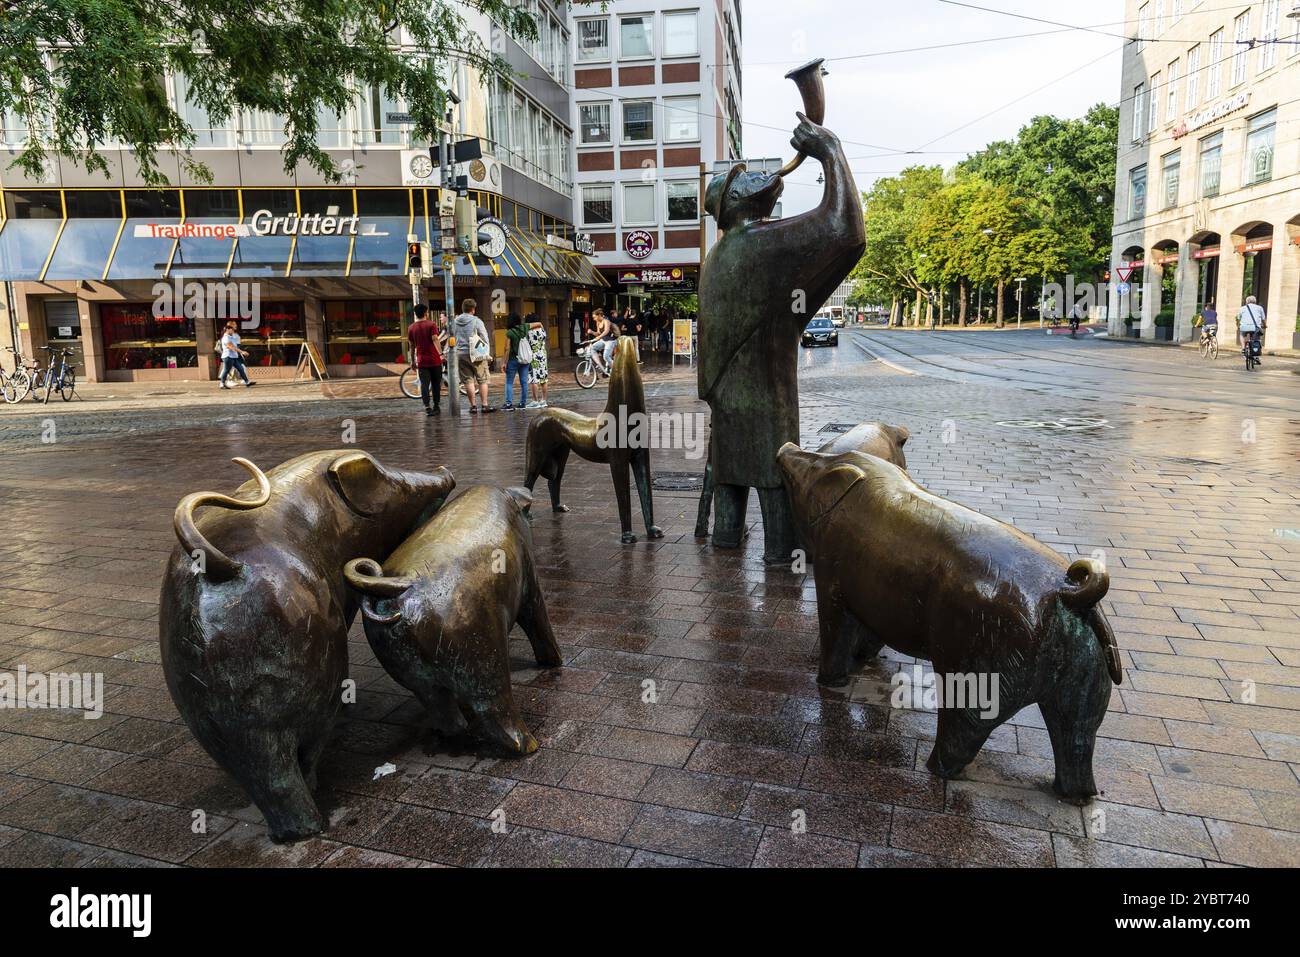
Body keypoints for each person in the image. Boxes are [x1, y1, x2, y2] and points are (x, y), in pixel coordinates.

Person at [452, 298, 494, 413]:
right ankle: (484, 405)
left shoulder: (455, 321)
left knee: (468, 380)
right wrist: (487, 353)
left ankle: (473, 406)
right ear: (473, 309)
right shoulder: (477, 321)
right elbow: (484, 337)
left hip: (461, 353)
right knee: (482, 379)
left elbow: (452, 336)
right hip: (476, 354)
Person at [407, 303, 443, 416]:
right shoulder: (431, 324)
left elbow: (412, 346)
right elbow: (435, 339)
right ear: (425, 312)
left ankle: (427, 407)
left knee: (424, 385)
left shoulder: (411, 328)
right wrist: (441, 354)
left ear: (416, 314)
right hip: (435, 360)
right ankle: (436, 406)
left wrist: (412, 360)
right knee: (436, 384)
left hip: (422, 361)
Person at [502, 312, 534, 410]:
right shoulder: (525, 327)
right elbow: (539, 324)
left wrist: (504, 362)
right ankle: (522, 404)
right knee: (524, 382)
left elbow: (507, 349)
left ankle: (508, 404)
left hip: (513, 360)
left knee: (509, 383)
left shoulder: (510, 332)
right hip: (525, 359)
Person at [218, 320, 255, 389]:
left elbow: (235, 346)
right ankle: (222, 384)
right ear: (228, 330)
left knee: (241, 368)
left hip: (233, 357)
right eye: (232, 329)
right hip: (228, 357)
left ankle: (247, 382)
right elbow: (231, 347)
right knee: (226, 370)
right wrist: (242, 352)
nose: (233, 331)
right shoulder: (226, 337)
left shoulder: (231, 336)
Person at [526, 313, 551, 408]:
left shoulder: (528, 332)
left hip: (533, 356)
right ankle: (544, 400)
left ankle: (535, 401)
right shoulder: (542, 330)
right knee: (543, 379)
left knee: (534, 379)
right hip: (543, 355)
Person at [1238, 295, 1266, 361]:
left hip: (1244, 327)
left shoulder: (1242, 308)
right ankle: (1256, 355)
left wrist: (1238, 325)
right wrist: (1265, 325)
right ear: (1255, 301)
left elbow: (1238, 318)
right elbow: (1263, 319)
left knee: (1242, 334)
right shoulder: (1260, 308)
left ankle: (1243, 348)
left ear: (1247, 302)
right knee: (1257, 338)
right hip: (1255, 327)